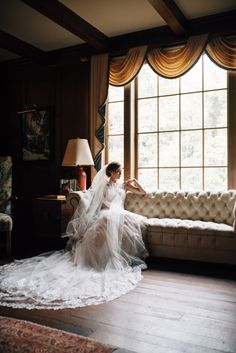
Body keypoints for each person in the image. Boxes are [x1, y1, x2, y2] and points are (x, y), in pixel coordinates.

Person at [0, 162, 148, 309]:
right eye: (119, 171)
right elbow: (100, 202)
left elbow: (143, 192)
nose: (121, 174)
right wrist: (112, 209)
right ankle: (100, 260)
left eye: (121, 171)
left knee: (128, 221)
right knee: (106, 220)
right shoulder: (104, 186)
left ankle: (113, 255)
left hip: (119, 213)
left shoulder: (123, 185)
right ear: (111, 172)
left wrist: (134, 181)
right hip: (106, 212)